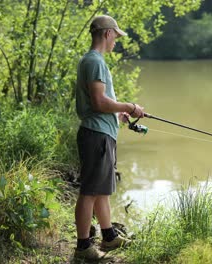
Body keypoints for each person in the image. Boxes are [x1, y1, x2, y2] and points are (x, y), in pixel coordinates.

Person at [73, 15, 145, 260]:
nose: (117, 40)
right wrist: (131, 106)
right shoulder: (95, 62)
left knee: (101, 190)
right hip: (96, 136)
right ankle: (83, 247)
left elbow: (103, 103)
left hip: (102, 132)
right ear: (107, 34)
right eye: (116, 35)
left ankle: (109, 237)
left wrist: (120, 113)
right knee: (89, 191)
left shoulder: (94, 61)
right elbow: (99, 101)